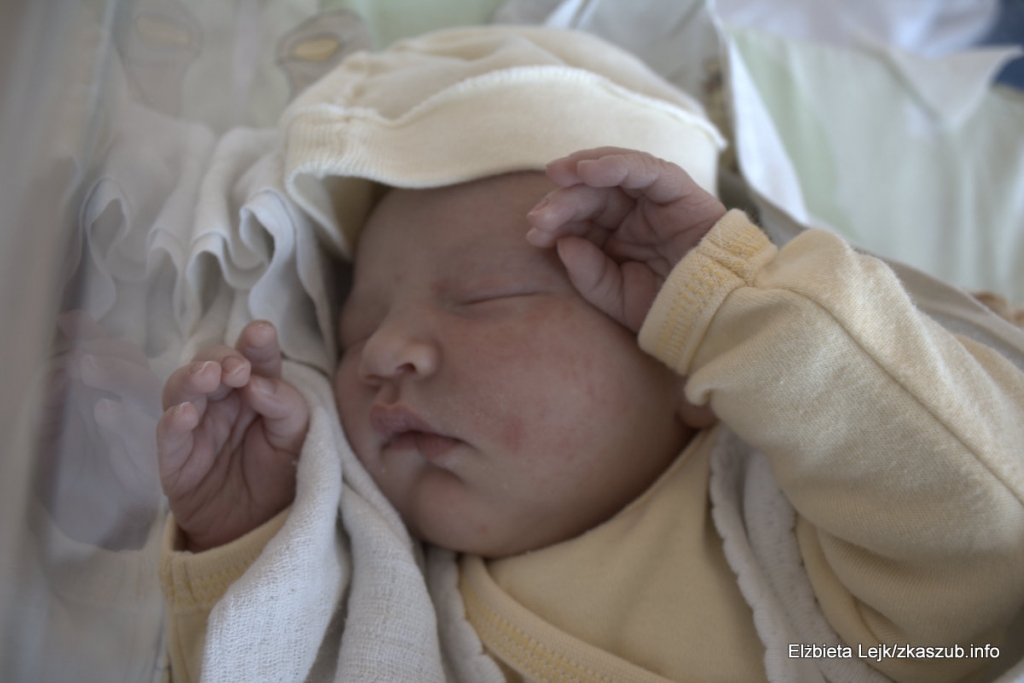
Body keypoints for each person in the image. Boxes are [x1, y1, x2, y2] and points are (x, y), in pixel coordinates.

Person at [155, 26, 1024, 683]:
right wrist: (250, 545)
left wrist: (733, 304)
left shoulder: (808, 533)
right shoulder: (392, 600)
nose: (384, 351)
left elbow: (992, 546)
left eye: (483, 297)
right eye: (358, 327)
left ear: (683, 360)